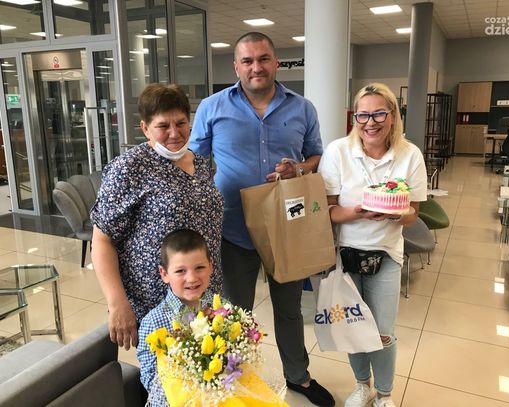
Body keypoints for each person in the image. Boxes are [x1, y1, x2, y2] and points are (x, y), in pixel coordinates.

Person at [189, 32, 335, 407]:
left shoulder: (302, 108)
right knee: (233, 314)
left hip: (286, 229)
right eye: (248, 60)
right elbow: (194, 162)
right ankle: (230, 381)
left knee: (289, 310)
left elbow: (316, 157)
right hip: (232, 229)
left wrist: (297, 168)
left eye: (264, 58)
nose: (257, 67)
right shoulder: (212, 107)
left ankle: (298, 376)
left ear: (276, 62)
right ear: (236, 67)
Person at [91, 83, 224, 351]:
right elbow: (102, 240)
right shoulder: (129, 168)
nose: (174, 133)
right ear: (145, 128)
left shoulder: (200, 163)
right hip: (156, 301)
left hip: (202, 291)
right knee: (166, 373)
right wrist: (117, 303)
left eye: (181, 123)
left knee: (207, 364)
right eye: (163, 126)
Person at [318, 83, 427, 407]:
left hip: (387, 253)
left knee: (382, 331)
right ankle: (362, 385)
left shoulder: (409, 155)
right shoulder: (338, 151)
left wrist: (396, 214)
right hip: (347, 253)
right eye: (363, 115)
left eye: (379, 113)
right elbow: (327, 211)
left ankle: (384, 393)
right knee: (354, 326)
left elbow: (413, 213)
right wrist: (358, 212)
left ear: (393, 115)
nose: (370, 122)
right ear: (355, 117)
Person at [137, 228, 214, 406]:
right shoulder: (153, 323)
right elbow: (150, 380)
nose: (192, 278)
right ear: (164, 274)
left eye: (199, 268)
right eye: (180, 271)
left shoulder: (220, 307)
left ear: (211, 266)